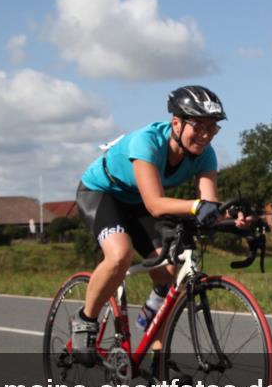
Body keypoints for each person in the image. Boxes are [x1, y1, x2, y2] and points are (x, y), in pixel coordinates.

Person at [71, 86, 250, 364]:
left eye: (212, 128)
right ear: (176, 123)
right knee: (120, 255)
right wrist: (195, 207)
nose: (205, 134)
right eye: (198, 125)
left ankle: (157, 355)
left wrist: (234, 219)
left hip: (138, 202)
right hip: (102, 193)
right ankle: (85, 321)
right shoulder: (147, 142)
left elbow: (209, 204)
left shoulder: (205, 153)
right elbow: (156, 204)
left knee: (167, 270)